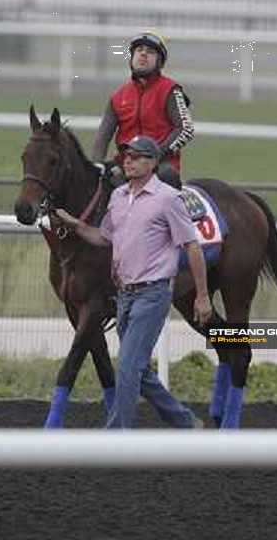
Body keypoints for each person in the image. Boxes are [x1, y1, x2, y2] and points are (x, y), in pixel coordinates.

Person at [54, 136, 212, 429]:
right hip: (124, 297)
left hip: (152, 296)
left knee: (127, 367)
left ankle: (118, 436)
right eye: (126, 155)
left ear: (152, 163)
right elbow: (104, 238)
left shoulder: (168, 198)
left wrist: (202, 296)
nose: (128, 160)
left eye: (137, 156)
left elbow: (191, 246)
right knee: (139, 371)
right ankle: (185, 422)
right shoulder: (118, 197)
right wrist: (77, 225)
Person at [91, 30, 194, 190]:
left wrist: (153, 157)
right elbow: (103, 138)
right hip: (126, 165)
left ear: (160, 61)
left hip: (161, 166)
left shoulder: (171, 90)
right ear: (132, 57)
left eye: (150, 52)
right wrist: (96, 166)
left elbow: (186, 129)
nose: (143, 54)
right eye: (139, 50)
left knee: (167, 176)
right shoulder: (118, 96)